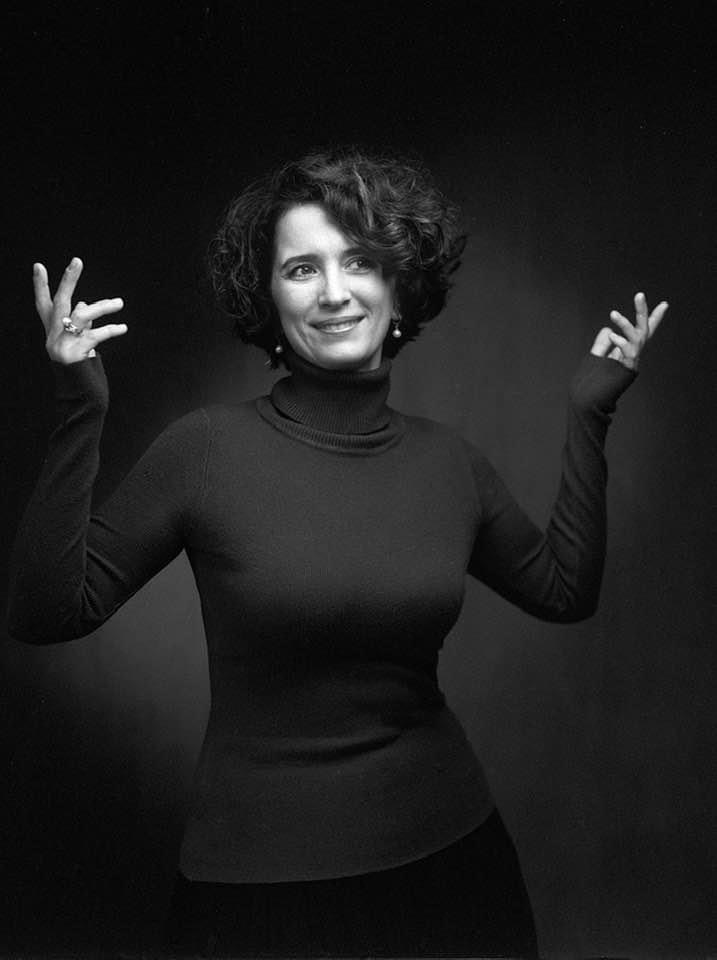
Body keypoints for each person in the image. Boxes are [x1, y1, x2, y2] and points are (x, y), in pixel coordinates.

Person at [7, 148, 667, 958]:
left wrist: (590, 418)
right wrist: (79, 406)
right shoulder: (203, 451)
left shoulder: (449, 463)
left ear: (398, 287)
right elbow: (47, 613)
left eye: (359, 261)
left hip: (452, 867)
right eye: (301, 269)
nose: (332, 291)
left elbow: (563, 591)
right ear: (268, 298)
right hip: (259, 891)